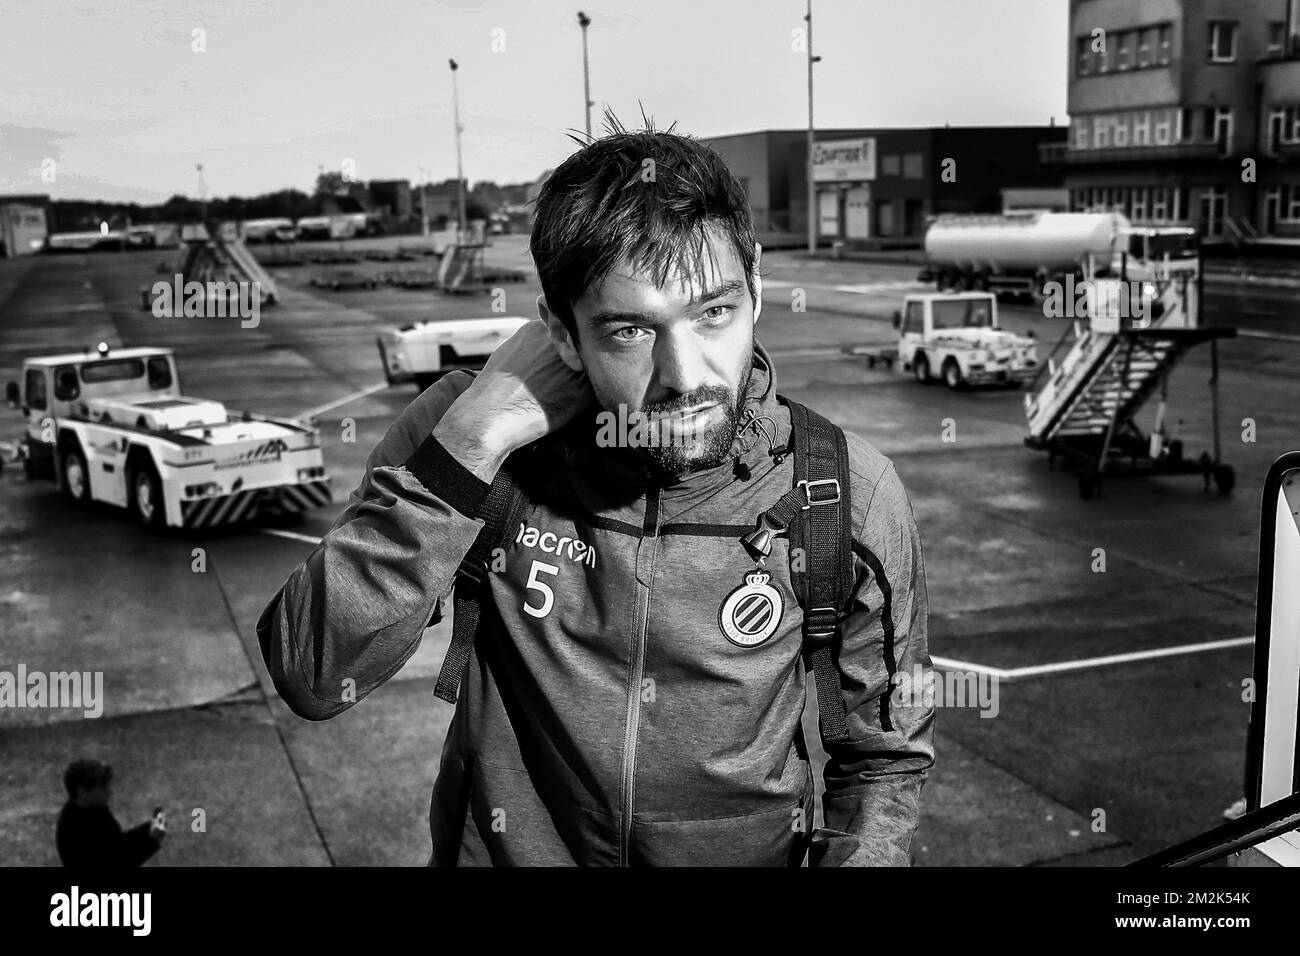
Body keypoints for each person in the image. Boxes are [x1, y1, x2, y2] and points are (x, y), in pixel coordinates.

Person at [258, 118, 935, 867]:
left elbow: (883, 762)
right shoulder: (464, 436)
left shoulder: (841, 490)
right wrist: (471, 446)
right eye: (631, 332)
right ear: (560, 331)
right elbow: (313, 674)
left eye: (716, 312)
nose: (687, 375)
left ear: (758, 290)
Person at [55, 758, 165, 867]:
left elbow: (116, 844)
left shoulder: (95, 808)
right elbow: (115, 862)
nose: (109, 791)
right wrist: (151, 840)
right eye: (102, 787)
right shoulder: (74, 826)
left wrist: (148, 829)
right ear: (83, 792)